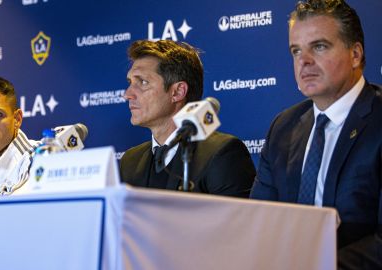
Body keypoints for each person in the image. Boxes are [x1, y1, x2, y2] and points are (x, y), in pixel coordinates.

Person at [250, 0, 381, 268]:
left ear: (355, 54)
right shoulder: (283, 127)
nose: (304, 61)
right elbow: (260, 222)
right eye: (296, 51)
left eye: (319, 47)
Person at [120, 40, 255, 197]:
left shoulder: (221, 154)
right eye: (130, 82)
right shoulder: (130, 161)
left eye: (142, 82)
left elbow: (239, 221)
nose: (127, 94)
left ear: (177, 92)